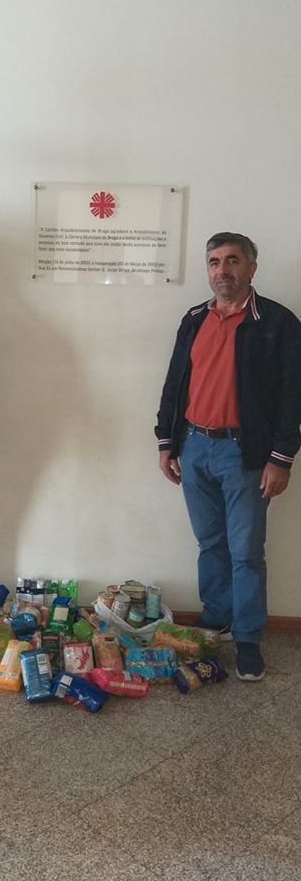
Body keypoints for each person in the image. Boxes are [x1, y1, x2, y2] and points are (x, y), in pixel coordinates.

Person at [155, 232, 301, 681]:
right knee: (210, 543)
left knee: (246, 552)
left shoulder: (277, 323)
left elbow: (292, 396)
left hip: (246, 453)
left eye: (233, 261)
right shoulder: (194, 319)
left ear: (251, 268)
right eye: (215, 262)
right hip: (195, 446)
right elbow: (175, 383)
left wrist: (281, 457)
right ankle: (216, 617)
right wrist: (166, 441)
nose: (223, 270)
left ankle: (248, 638)